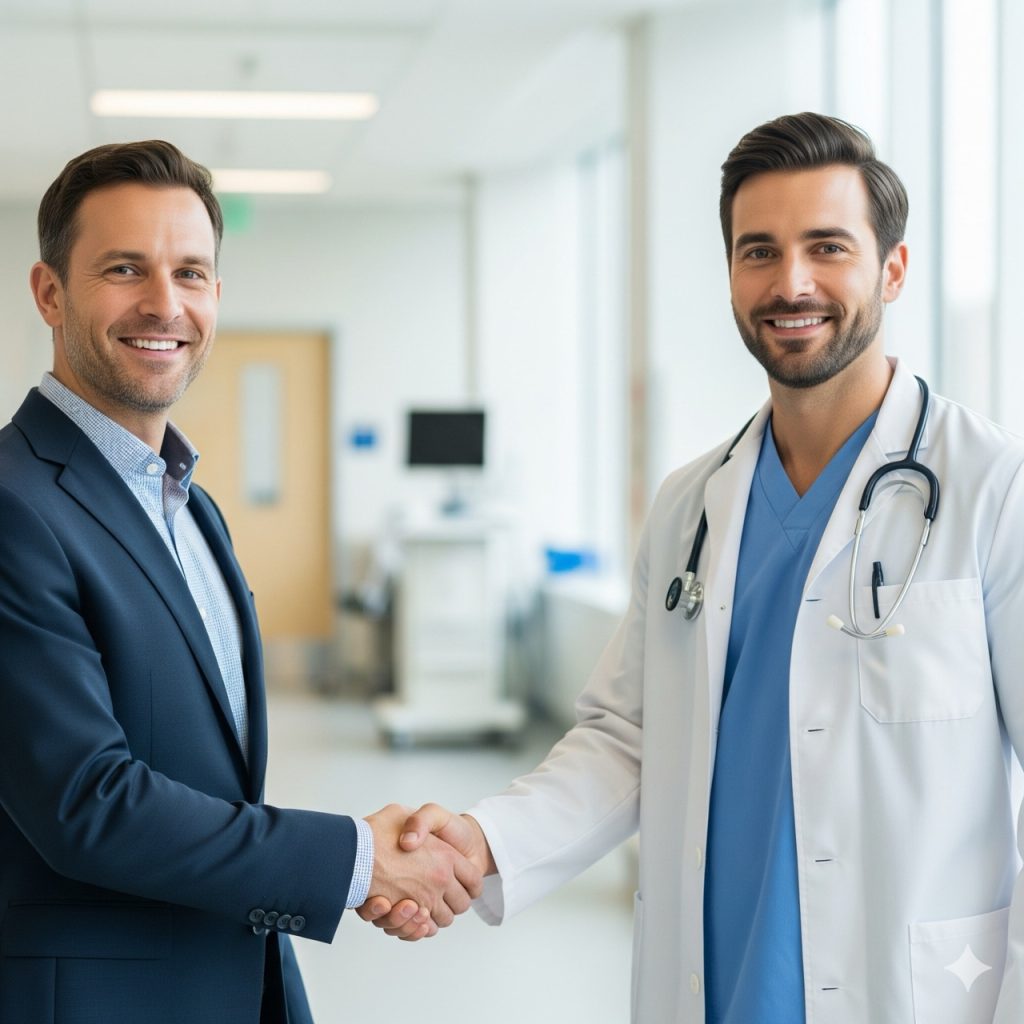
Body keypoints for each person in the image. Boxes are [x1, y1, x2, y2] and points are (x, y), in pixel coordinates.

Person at [364, 112, 1024, 1024]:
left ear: (893, 270)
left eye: (827, 247)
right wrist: (481, 842)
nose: (790, 282)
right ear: (731, 276)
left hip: (917, 995)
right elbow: (628, 740)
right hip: (715, 989)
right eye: (759, 252)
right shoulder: (690, 504)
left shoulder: (993, 489)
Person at [0, 140, 481, 1024]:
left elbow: (208, 783)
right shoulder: (15, 506)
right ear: (49, 293)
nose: (164, 303)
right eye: (123, 268)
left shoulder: (193, 508)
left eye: (191, 272)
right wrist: (358, 861)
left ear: (216, 296)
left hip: (233, 978)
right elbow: (85, 803)